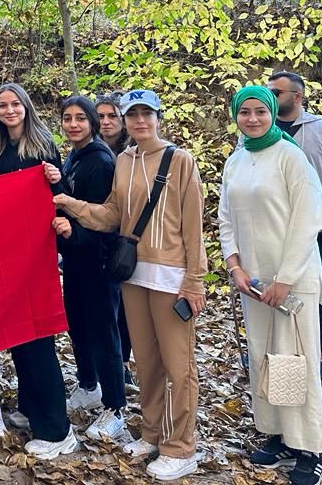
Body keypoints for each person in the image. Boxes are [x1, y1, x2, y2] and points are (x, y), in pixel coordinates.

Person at [54, 89, 207, 481]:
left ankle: (181, 447)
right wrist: (69, 203)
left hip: (171, 277)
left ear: (157, 117)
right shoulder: (123, 160)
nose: (140, 121)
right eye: (133, 114)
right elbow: (112, 215)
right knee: (147, 363)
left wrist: (195, 280)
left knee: (178, 366)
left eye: (146, 114)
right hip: (134, 276)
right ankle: (152, 433)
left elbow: (194, 226)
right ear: (124, 120)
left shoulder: (180, 160)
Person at [220, 86, 322, 485]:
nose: (252, 119)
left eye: (260, 112)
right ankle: (279, 434)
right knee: (265, 357)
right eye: (244, 112)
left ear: (271, 113)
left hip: (292, 282)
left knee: (295, 361)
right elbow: (226, 218)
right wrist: (235, 266)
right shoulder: (236, 161)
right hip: (253, 283)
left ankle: (310, 447)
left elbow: (308, 218)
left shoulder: (290, 157)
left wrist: (285, 279)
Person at [0, 83, 76, 457]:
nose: (9, 110)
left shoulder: (43, 146)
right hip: (6, 256)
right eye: (2, 106)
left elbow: (61, 198)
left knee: (38, 337)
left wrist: (57, 179)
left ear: (26, 107)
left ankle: (57, 429)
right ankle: (31, 408)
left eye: (15, 104)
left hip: (36, 255)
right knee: (19, 334)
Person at [266, 70, 322, 378]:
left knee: (311, 296)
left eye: (276, 93)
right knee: (267, 292)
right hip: (268, 228)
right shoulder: (257, 128)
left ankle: (312, 360)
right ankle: (268, 357)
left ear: (297, 96)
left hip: (311, 230)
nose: (270, 97)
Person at [55, 96, 127, 442]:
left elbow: (104, 220)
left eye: (80, 119)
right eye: (67, 118)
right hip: (75, 260)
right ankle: (88, 385)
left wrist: (74, 233)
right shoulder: (74, 156)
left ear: (92, 124)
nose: (73, 124)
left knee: (103, 332)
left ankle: (115, 407)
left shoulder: (100, 160)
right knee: (78, 325)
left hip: (98, 261)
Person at [95, 92, 136, 389]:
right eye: (100, 116)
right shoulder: (85, 151)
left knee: (125, 307)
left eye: (112, 116)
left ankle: (122, 362)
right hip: (96, 239)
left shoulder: (134, 155)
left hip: (127, 241)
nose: (106, 122)